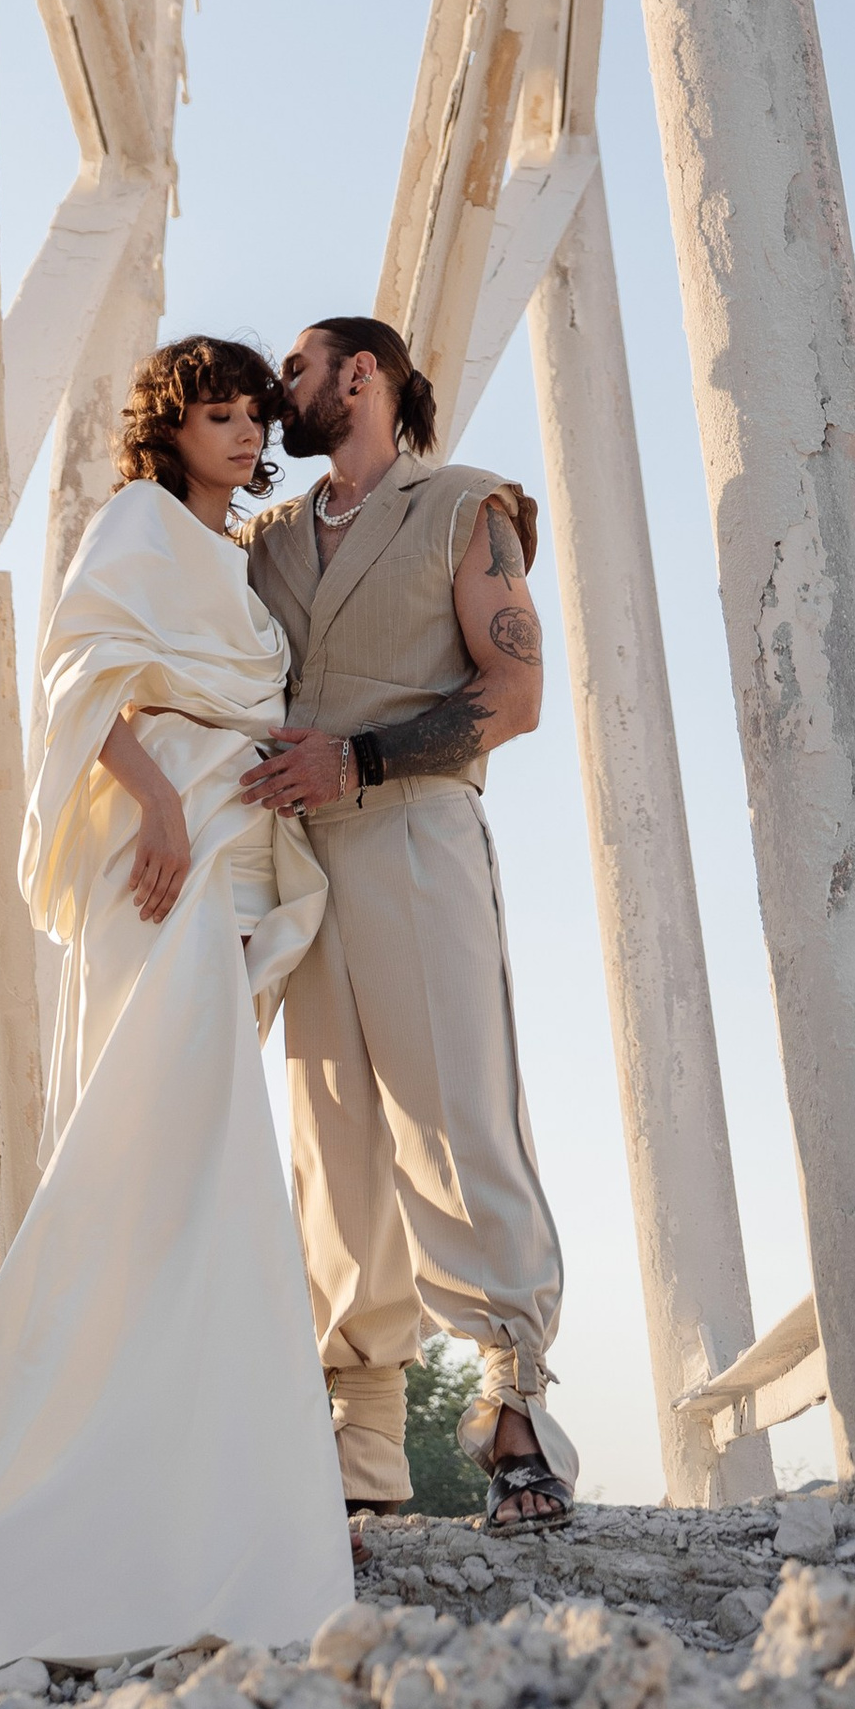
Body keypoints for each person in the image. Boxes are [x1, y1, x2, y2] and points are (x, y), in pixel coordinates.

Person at [0, 339, 348, 1689]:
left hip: (228, 842)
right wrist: (160, 802)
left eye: (250, 417)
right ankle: (63, 1482)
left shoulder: (243, 553)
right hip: (154, 849)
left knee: (199, 1153)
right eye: (216, 415)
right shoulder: (139, 523)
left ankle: (183, 1485)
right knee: (149, 1127)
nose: (237, 434)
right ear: (173, 424)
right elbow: (77, 678)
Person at [237, 317, 577, 1536]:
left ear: (361, 375)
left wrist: (361, 758)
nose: (279, 396)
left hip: (415, 826)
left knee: (452, 1113)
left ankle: (517, 1416)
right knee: (328, 1142)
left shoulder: (467, 508)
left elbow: (515, 693)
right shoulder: (267, 539)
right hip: (294, 853)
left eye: (296, 371)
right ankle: (361, 1445)